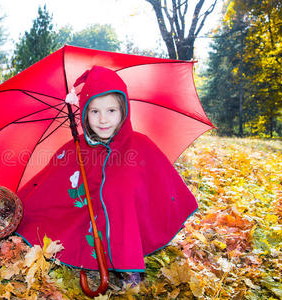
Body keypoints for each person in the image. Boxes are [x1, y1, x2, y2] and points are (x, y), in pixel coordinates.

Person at [15, 66, 198, 286]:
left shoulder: (140, 145)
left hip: (128, 215)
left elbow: (160, 182)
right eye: (94, 112)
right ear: (83, 112)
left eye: (111, 111)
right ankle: (90, 253)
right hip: (84, 218)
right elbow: (50, 187)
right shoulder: (75, 148)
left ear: (124, 110)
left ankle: (128, 262)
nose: (103, 120)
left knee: (117, 191)